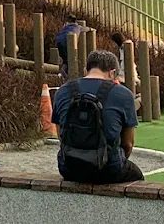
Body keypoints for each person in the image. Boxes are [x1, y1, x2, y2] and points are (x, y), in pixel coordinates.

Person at [52, 49, 144, 183]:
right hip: (109, 168)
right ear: (112, 73)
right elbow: (128, 144)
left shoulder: (63, 91)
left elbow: (61, 134)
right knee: (136, 176)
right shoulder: (124, 94)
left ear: (86, 70)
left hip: (69, 167)